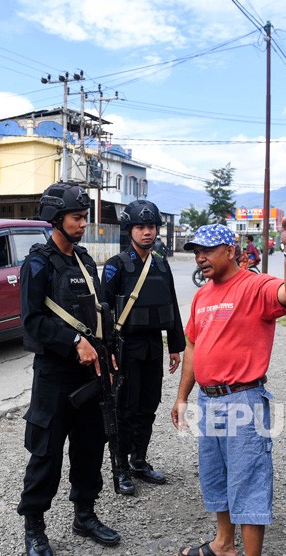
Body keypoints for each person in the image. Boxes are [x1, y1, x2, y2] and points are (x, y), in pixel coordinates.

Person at [171, 209, 286, 556]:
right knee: (216, 475)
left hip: (243, 400)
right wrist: (182, 397)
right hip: (208, 400)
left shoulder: (255, 286)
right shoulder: (202, 295)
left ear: (231, 250)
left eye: (206, 250)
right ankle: (223, 544)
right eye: (195, 252)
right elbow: (192, 346)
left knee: (249, 480)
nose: (199, 258)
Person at [17, 182, 120, 555]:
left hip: (91, 373)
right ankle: (34, 527)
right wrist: (74, 342)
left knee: (90, 445)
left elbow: (98, 313)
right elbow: (32, 322)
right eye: (77, 218)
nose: (83, 224)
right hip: (54, 375)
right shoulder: (38, 263)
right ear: (56, 219)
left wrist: (106, 350)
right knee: (46, 452)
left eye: (84, 218)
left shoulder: (86, 261)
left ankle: (85, 514)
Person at [100, 200, 185, 496]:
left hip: (153, 346)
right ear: (130, 230)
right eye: (141, 227)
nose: (147, 232)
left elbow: (171, 304)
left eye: (151, 227)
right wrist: (107, 349)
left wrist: (175, 345)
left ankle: (139, 460)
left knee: (149, 405)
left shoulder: (161, 263)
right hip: (125, 347)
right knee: (125, 407)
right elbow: (104, 311)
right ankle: (120, 467)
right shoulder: (116, 266)